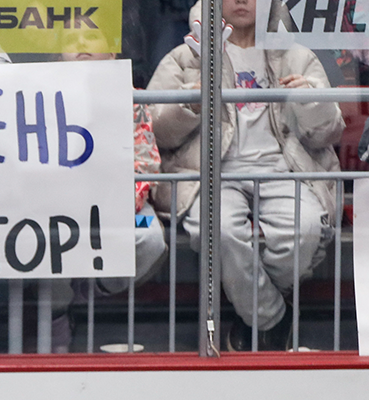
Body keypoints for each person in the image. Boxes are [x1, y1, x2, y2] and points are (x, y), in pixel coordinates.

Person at [147, 0, 344, 351]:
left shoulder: (297, 57)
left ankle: (252, 311)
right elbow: (158, 131)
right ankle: (273, 319)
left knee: (306, 228)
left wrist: (311, 102)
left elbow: (329, 134)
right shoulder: (185, 57)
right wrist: (190, 103)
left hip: (286, 170)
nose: (240, 0)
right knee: (217, 229)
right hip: (211, 172)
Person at [48, 30, 168, 352]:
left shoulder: (132, 98)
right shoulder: (40, 93)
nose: (81, 45)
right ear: (59, 55)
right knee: (46, 240)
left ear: (113, 54)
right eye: (71, 40)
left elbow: (145, 161)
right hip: (57, 202)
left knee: (151, 238)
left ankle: (89, 292)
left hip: (121, 203)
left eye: (91, 37)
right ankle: (57, 314)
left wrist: (122, 203)